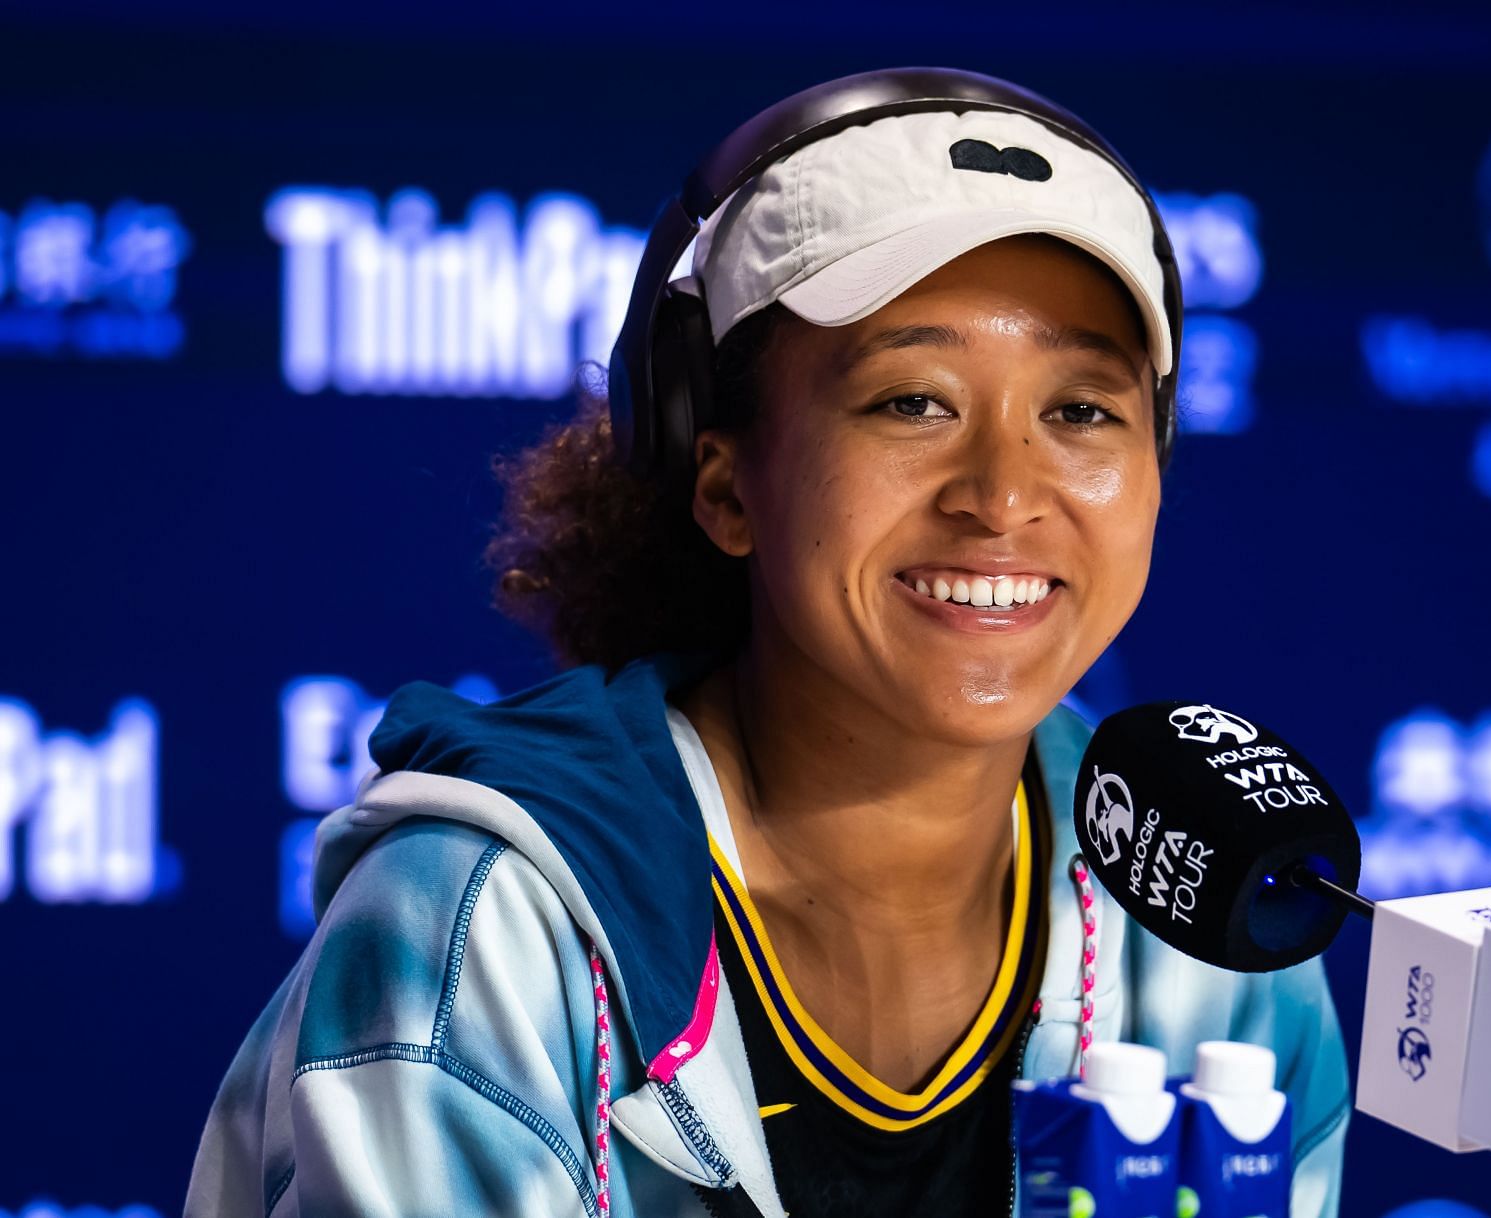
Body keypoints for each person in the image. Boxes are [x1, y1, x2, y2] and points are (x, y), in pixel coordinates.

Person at [185, 69, 1350, 1218]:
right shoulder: (483, 924)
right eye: (913, 400)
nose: (1004, 495)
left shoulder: (1198, 915)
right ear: (725, 481)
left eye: (1082, 411)